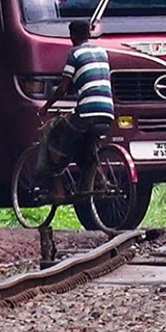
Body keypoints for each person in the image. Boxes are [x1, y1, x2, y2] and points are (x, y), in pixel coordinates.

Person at [37, 20, 115, 202]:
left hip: (88, 111)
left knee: (55, 136)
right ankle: (95, 180)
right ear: (89, 34)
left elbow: (63, 88)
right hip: (107, 111)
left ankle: (58, 189)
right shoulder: (102, 52)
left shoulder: (75, 53)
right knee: (85, 146)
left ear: (72, 36)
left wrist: (46, 107)